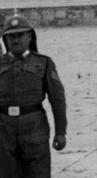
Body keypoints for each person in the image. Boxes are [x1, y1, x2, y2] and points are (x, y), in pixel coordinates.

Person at [0, 14, 67, 177]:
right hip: (4, 130)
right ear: (5, 40)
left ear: (29, 36)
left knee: (38, 172)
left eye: (20, 35)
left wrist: (60, 132)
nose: (16, 40)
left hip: (34, 127)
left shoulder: (43, 63)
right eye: (11, 37)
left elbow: (57, 100)